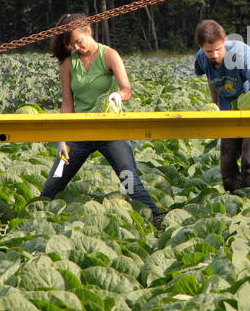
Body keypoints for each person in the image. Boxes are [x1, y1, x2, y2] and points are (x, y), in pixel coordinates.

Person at [40, 13, 163, 224]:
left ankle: (156, 217)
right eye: (71, 45)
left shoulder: (109, 55)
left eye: (78, 42)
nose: (76, 48)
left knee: (130, 181)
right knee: (54, 182)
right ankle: (36, 217)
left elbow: (127, 89)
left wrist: (119, 96)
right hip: (79, 132)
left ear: (89, 31)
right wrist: (62, 138)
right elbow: (67, 102)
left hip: (110, 130)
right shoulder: (68, 63)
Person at [193, 20, 250, 192]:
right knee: (227, 165)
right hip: (229, 112)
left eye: (218, 49)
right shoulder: (201, 58)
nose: (214, 55)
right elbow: (210, 78)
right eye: (209, 51)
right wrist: (216, 105)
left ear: (225, 41)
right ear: (201, 48)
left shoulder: (241, 53)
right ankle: (234, 200)